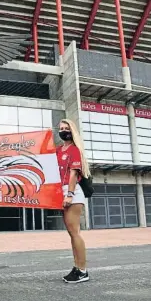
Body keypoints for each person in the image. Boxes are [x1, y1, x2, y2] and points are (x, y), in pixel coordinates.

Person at [56, 119, 91, 284]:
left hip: (72, 192)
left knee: (75, 232)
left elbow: (73, 174)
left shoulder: (75, 150)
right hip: (61, 192)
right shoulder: (58, 150)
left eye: (66, 128)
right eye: (61, 129)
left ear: (72, 130)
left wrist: (69, 194)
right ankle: (76, 267)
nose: (63, 131)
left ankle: (83, 271)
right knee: (71, 233)